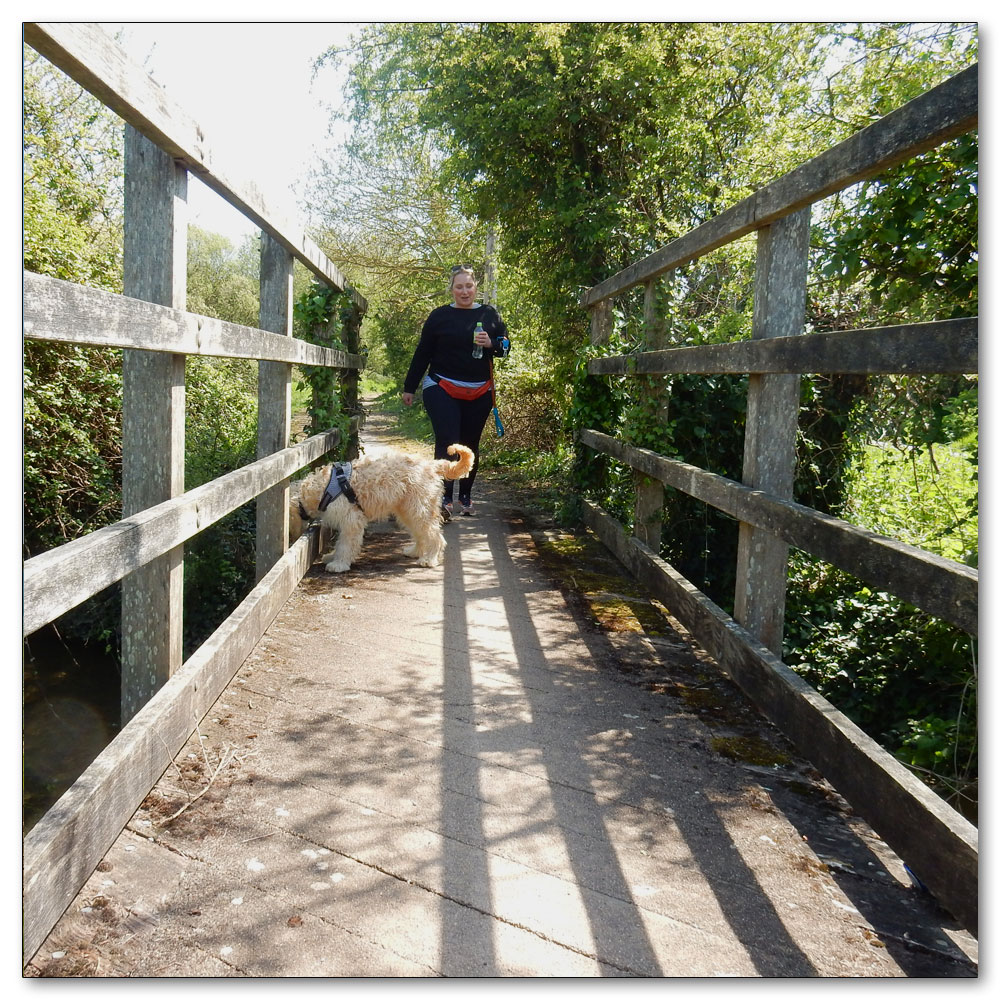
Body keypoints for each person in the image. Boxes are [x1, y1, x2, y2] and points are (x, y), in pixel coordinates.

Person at [402, 265, 510, 519]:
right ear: (451, 290)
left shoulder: (489, 315)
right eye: (459, 287)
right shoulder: (439, 316)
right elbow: (422, 353)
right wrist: (410, 386)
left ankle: (465, 496)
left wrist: (492, 344)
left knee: (470, 445)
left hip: (480, 390)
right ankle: (444, 499)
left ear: (476, 288)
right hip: (441, 386)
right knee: (449, 442)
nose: (464, 291)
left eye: (469, 286)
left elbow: (506, 349)